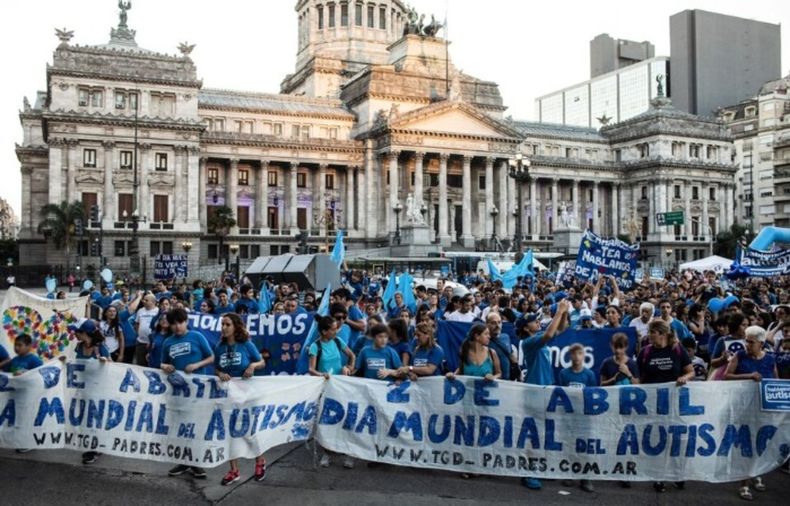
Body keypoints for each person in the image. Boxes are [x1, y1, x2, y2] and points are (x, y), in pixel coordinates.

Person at [638, 319, 694, 493]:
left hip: (674, 402)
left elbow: (690, 370)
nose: (649, 336)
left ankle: (677, 474)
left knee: (675, 439)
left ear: (661, 334)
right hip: (653, 403)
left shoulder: (676, 350)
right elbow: (639, 376)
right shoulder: (646, 352)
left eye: (652, 332)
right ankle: (659, 476)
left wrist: (685, 378)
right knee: (658, 439)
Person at [724, 326, 777, 500]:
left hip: (762, 408)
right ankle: (744, 483)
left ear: (761, 343)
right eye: (746, 340)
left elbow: (774, 382)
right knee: (746, 444)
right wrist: (748, 376)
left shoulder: (770, 359)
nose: (747, 344)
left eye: (751, 342)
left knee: (760, 442)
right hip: (743, 408)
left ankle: (756, 473)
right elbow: (727, 376)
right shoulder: (740, 356)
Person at [161, 308, 214, 480]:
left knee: (196, 425)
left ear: (186, 322)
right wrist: (164, 367)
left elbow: (212, 357)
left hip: (199, 390)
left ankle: (196, 461)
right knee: (181, 426)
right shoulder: (167, 342)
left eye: (180, 322)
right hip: (179, 391)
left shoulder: (197, 337)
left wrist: (197, 365)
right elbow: (162, 363)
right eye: (173, 324)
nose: (177, 327)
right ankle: (184, 460)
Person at [214, 313, 267, 485]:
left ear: (236, 326)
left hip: (247, 394)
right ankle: (233, 470)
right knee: (230, 432)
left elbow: (261, 362)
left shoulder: (246, 345)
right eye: (222, 324)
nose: (224, 327)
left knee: (248, 430)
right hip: (228, 395)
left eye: (227, 324)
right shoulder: (219, 347)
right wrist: (221, 373)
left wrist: (252, 366)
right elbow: (216, 368)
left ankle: (260, 461)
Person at [308, 314, 355, 469]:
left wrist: (349, 368)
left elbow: (351, 355)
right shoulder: (315, 346)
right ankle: (327, 452)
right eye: (333, 329)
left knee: (344, 419)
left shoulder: (337, 341)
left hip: (341, 387)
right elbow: (311, 369)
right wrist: (322, 375)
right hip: (325, 389)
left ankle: (347, 453)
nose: (336, 331)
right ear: (324, 331)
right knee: (326, 421)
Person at [66, 319, 110, 464]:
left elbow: (113, 368)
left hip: (98, 390)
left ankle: (93, 448)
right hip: (83, 389)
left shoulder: (100, 348)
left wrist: (105, 362)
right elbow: (76, 364)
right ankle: (91, 444)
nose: (75, 334)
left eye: (77, 332)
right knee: (85, 417)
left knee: (95, 418)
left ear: (84, 333)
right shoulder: (78, 347)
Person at [558, 342, 596, 493]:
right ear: (570, 356)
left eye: (579, 353)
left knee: (585, 447)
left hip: (584, 417)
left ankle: (585, 477)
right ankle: (570, 473)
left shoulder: (589, 375)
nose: (577, 357)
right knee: (569, 444)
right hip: (569, 417)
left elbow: (594, 395)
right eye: (574, 354)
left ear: (584, 356)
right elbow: (559, 395)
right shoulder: (564, 374)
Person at [486, 312, 518, 381]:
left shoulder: (506, 337)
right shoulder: (484, 341)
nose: (497, 325)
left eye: (499, 322)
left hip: (507, 381)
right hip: (491, 381)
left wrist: (519, 373)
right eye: (493, 323)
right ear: (487, 324)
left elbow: (511, 355)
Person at [134, 294, 159, 366]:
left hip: (153, 343)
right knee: (140, 364)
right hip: (141, 342)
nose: (143, 301)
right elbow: (137, 323)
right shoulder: (140, 310)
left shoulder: (158, 311)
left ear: (153, 302)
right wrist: (139, 333)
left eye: (146, 300)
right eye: (143, 299)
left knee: (151, 364)